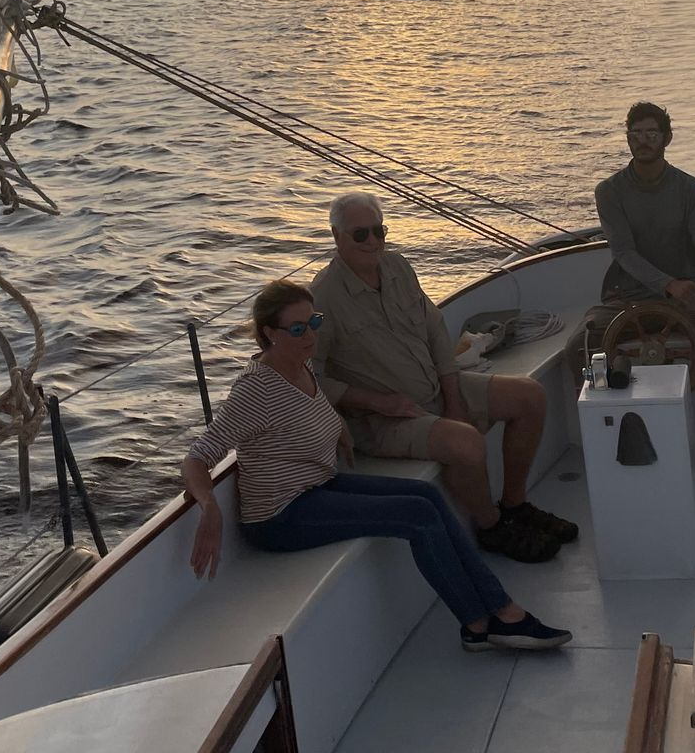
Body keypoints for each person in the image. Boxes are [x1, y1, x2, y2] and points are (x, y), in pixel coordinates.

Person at [182, 280, 571, 653]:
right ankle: (486, 619)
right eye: (298, 328)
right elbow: (198, 457)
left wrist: (337, 429)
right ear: (269, 333)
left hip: (317, 485)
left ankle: (493, 614)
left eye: (314, 322)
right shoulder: (256, 389)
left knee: (426, 495)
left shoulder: (301, 364)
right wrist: (210, 507)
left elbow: (305, 413)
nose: (310, 336)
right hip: (279, 516)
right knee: (416, 514)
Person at [312, 191, 575, 563]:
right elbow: (311, 376)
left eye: (379, 232)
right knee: (465, 443)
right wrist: (378, 402)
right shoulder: (321, 299)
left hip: (434, 388)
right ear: (337, 237)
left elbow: (435, 331)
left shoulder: (398, 267)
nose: (372, 242)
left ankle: (515, 504)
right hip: (384, 418)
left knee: (530, 396)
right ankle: (491, 526)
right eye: (360, 235)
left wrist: (452, 398)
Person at [588, 102, 695, 469]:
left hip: (686, 291)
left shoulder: (690, 189)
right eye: (635, 134)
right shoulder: (609, 191)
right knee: (577, 348)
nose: (643, 141)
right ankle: (605, 442)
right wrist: (667, 285)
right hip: (625, 293)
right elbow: (623, 252)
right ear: (627, 139)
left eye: (651, 133)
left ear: (666, 139)